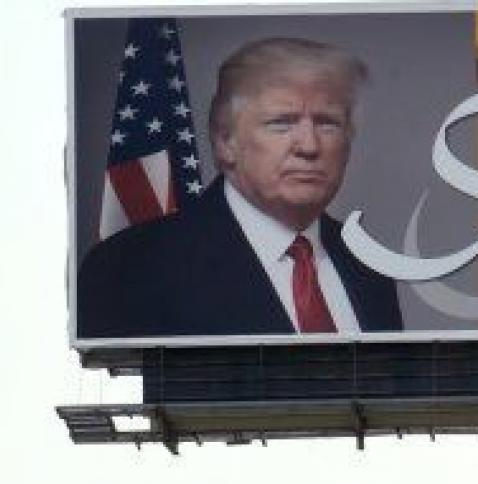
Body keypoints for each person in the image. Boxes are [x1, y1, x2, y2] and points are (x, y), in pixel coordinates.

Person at [78, 37, 403, 338]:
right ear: (224, 141)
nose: (309, 146)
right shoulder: (130, 269)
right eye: (281, 123)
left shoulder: (368, 268)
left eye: (327, 123)